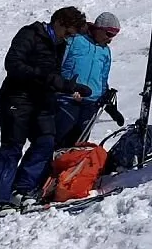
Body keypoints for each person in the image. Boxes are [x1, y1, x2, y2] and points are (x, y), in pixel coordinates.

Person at [0, 6, 91, 222]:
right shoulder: (30, 34)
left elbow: (53, 76)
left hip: (42, 101)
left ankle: (21, 191)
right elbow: (13, 64)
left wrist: (70, 88)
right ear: (59, 22)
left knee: (46, 142)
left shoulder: (59, 44)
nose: (69, 37)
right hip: (17, 99)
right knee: (12, 148)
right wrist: (44, 77)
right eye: (68, 32)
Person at [54, 12, 126, 149]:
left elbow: (103, 77)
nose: (110, 40)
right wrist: (61, 87)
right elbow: (58, 65)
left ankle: (71, 169)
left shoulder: (105, 51)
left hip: (91, 103)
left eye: (113, 36)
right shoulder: (75, 40)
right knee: (58, 139)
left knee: (79, 143)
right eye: (108, 34)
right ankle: (48, 168)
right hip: (68, 98)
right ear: (99, 28)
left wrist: (106, 99)